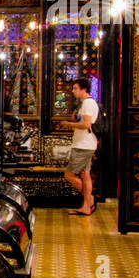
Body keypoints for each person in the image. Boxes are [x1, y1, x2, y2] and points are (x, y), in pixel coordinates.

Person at [57, 78, 98, 216]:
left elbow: (87, 125)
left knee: (69, 175)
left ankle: (89, 199)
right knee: (85, 174)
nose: (73, 91)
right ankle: (87, 205)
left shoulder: (88, 103)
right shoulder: (85, 104)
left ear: (83, 89)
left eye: (75, 88)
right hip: (85, 143)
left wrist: (69, 124)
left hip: (83, 145)